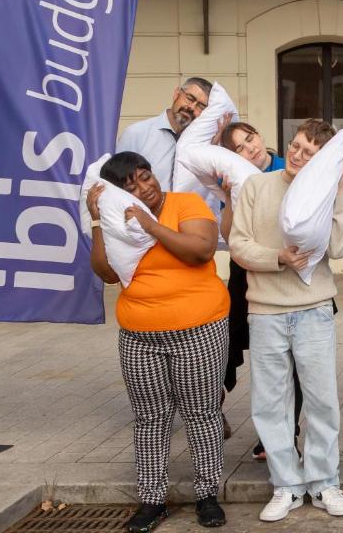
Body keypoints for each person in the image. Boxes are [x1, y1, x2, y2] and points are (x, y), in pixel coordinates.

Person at [86, 151, 230, 533]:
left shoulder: (186, 203)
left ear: (153, 173)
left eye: (144, 177)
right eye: (129, 185)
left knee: (201, 413)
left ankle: (207, 494)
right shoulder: (119, 218)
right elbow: (106, 273)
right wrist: (99, 219)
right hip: (139, 335)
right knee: (150, 418)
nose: (142, 188)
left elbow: (200, 251)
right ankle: (152, 500)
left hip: (198, 328)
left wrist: (150, 226)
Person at [229, 118, 343, 523]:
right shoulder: (256, 187)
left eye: (311, 154)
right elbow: (237, 244)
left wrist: (338, 192)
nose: (300, 156)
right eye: (297, 147)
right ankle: (285, 484)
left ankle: (323, 482)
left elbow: (339, 247)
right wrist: (277, 258)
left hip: (314, 308)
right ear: (290, 143)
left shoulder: (325, 192)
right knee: (270, 403)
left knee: (321, 400)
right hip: (265, 310)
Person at [216, 122, 288, 461]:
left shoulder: (288, 167)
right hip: (245, 272)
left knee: (284, 361)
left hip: (284, 273)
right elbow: (229, 236)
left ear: (260, 135)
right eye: (241, 149)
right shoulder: (234, 179)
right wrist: (231, 196)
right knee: (231, 347)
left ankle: (280, 435)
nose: (250, 149)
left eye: (250, 138)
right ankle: (211, 409)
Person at [116, 77, 214, 189]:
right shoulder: (136, 134)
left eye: (201, 107)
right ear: (177, 94)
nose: (192, 107)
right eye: (190, 98)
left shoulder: (203, 145)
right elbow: (118, 183)